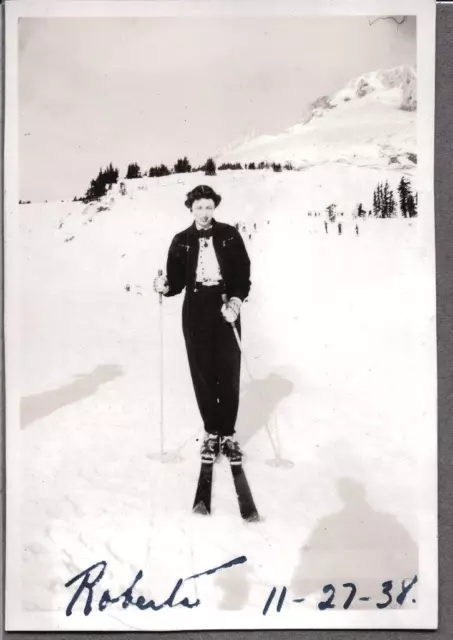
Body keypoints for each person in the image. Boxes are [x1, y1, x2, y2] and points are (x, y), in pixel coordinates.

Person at [153, 185, 251, 465]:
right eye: (199, 208)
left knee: (228, 370)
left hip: (225, 307)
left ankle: (228, 435)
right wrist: (164, 285)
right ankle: (211, 432)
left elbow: (243, 273)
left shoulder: (230, 235)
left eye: (209, 207)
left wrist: (236, 302)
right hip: (195, 308)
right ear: (191, 209)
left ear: (214, 207)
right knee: (203, 371)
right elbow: (175, 281)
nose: (205, 213)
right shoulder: (181, 239)